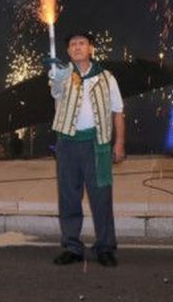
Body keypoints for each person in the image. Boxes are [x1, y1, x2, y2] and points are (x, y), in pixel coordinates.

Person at [49, 32, 125, 267]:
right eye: (72, 44)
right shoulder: (61, 74)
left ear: (91, 48)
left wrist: (119, 143)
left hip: (97, 143)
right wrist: (60, 76)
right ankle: (72, 246)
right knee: (69, 196)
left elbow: (118, 112)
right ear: (69, 51)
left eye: (82, 43)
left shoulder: (107, 77)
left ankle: (105, 247)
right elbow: (55, 91)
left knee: (101, 197)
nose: (77, 47)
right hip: (67, 143)